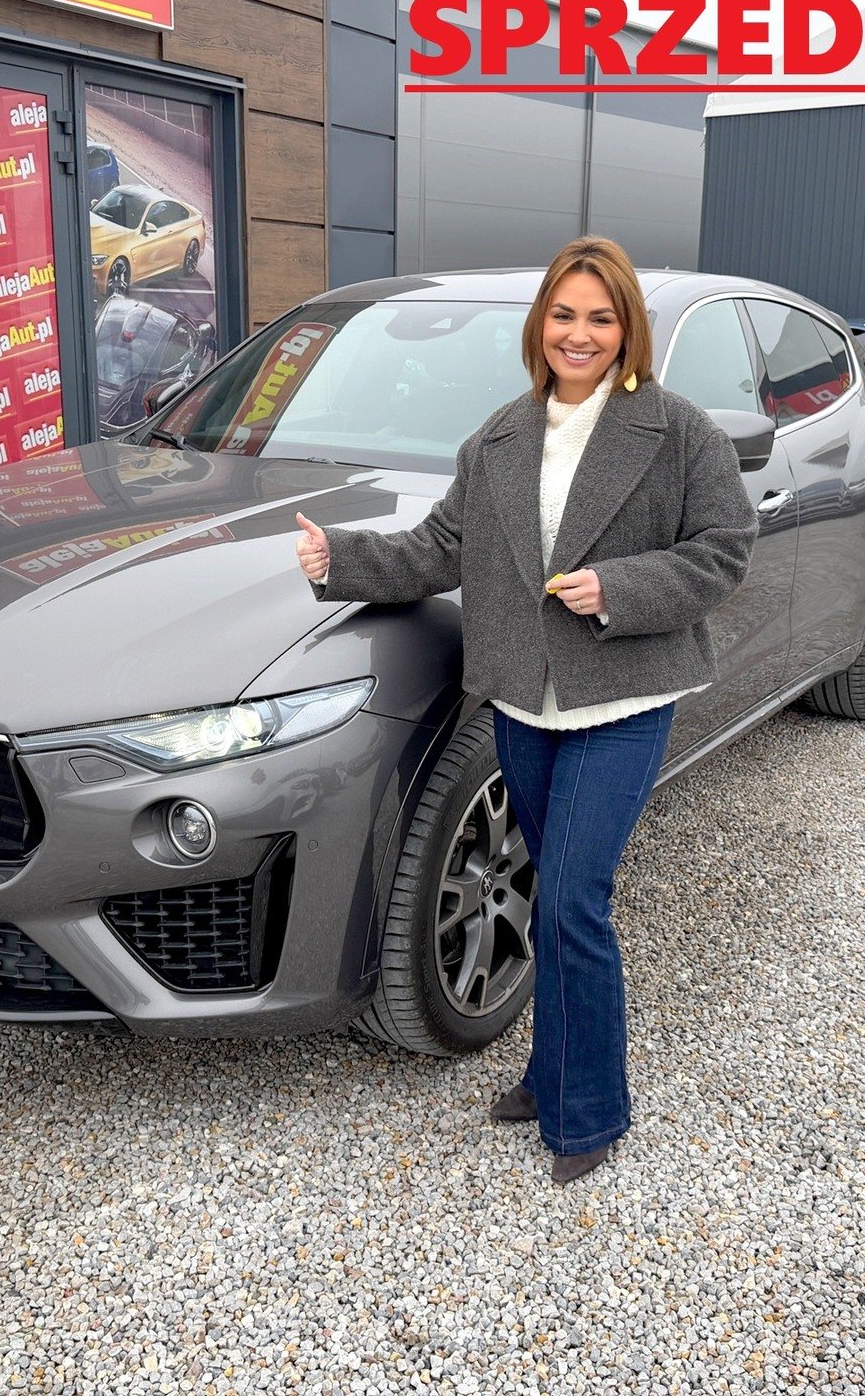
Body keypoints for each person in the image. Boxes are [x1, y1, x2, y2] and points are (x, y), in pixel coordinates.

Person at [290, 236, 756, 1185]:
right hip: (522, 703)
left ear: (628, 331)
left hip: (620, 697)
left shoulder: (678, 432)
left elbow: (725, 551)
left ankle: (590, 1109)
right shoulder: (500, 438)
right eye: (563, 315)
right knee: (551, 897)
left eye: (600, 317)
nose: (578, 334)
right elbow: (435, 550)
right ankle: (549, 1074)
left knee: (577, 900)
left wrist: (619, 587)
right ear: (539, 325)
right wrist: (338, 557)